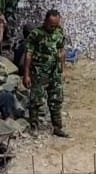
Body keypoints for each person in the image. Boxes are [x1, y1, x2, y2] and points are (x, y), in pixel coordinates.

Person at [22, 9, 68, 137]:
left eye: (56, 25)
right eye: (51, 25)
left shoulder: (59, 32)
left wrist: (62, 67)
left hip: (55, 72)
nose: (53, 28)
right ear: (45, 21)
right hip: (39, 73)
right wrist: (26, 74)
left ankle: (57, 127)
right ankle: (34, 126)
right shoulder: (36, 34)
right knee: (36, 100)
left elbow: (62, 49)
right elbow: (28, 54)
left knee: (56, 100)